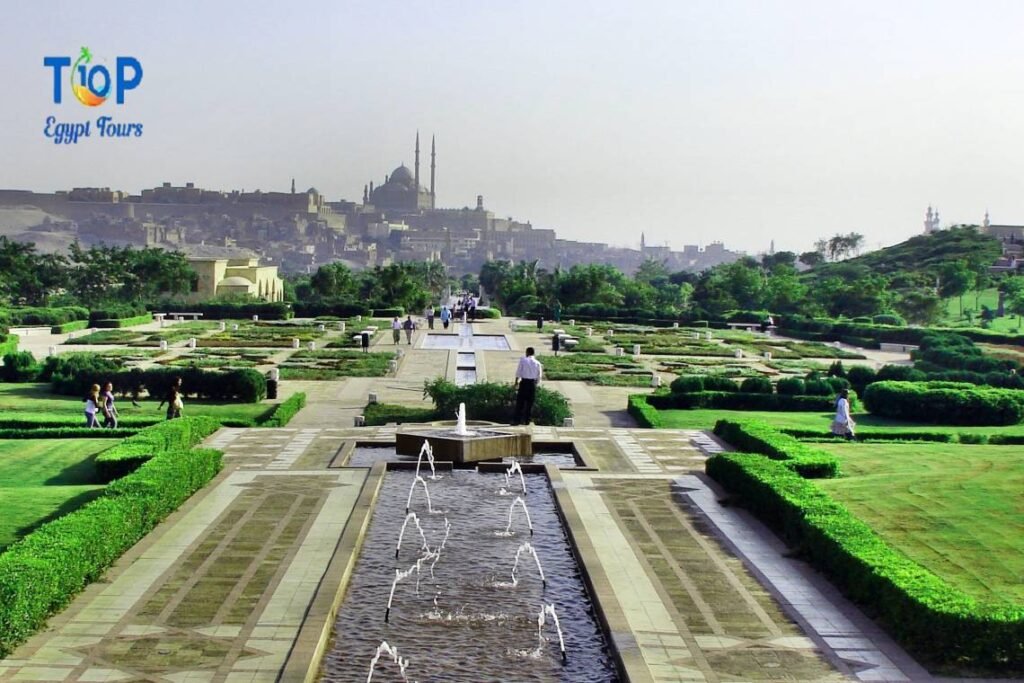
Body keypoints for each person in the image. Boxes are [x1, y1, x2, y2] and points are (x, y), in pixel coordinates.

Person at [512, 347, 543, 426]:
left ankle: (517, 420)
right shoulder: (537, 363)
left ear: (527, 352)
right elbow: (539, 376)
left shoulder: (523, 360)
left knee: (520, 402)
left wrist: (516, 382)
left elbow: (519, 371)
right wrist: (535, 384)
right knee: (530, 403)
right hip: (532, 383)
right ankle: (527, 421)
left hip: (524, 382)